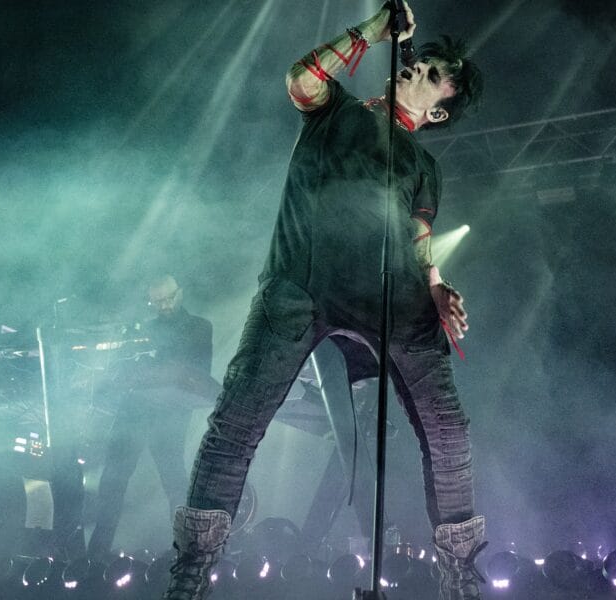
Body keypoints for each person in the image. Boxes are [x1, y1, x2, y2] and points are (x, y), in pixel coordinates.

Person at [161, 3, 485, 599]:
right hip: (302, 283)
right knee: (238, 420)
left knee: (449, 434)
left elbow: (418, 238)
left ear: (438, 110)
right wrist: (373, 29)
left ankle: (459, 575)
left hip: (393, 301)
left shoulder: (422, 163)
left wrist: (436, 286)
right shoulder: (335, 111)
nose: (419, 66)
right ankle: (191, 572)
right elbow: (301, 78)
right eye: (424, 60)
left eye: (434, 72)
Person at [88, 275, 216, 558]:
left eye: (168, 298)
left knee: (174, 479)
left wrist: (148, 370)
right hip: (134, 411)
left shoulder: (199, 327)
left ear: (180, 293)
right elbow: (121, 371)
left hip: (169, 411)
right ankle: (96, 553)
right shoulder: (143, 330)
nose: (164, 305)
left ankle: (187, 550)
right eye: (157, 301)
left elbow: (194, 370)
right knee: (113, 479)